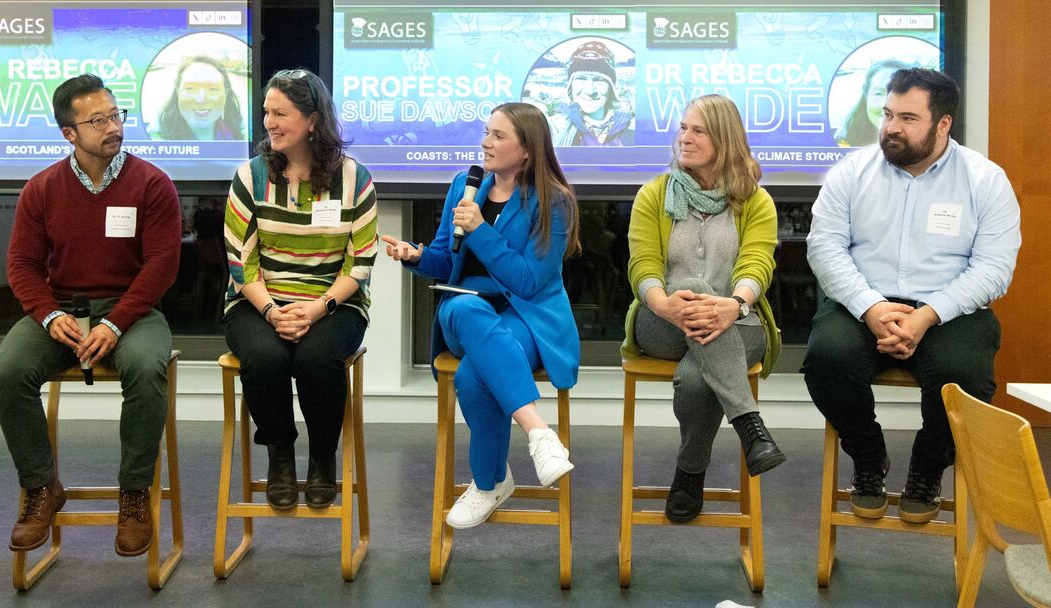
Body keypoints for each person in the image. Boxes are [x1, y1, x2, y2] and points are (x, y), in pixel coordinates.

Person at [803, 68, 1021, 524]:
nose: (890, 128)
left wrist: (928, 315)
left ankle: (927, 465)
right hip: (863, 302)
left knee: (963, 375)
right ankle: (867, 457)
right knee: (827, 357)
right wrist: (870, 307)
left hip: (949, 310)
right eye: (886, 114)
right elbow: (824, 248)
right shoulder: (851, 173)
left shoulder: (985, 180)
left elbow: (994, 269)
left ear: (943, 124)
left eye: (907, 117)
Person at [0, 74, 182, 556]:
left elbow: (162, 265)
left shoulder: (152, 183)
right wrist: (48, 314)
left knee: (143, 367)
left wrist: (117, 322)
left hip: (134, 312)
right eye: (97, 120)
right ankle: (41, 487)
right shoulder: (41, 189)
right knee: (9, 371)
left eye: (116, 115)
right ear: (69, 134)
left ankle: (135, 493)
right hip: (63, 310)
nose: (113, 127)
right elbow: (21, 265)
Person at [381, 102, 580, 529]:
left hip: (526, 316)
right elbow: (443, 257)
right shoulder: (464, 185)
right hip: (463, 308)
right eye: (486, 132)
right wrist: (415, 256)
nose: (486, 143)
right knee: (468, 308)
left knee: (473, 376)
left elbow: (528, 281)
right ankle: (539, 433)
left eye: (498, 136)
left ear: (527, 150)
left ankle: (490, 482)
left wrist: (480, 230)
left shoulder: (553, 202)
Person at [621, 94, 786, 523]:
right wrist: (665, 304)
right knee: (693, 287)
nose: (685, 138)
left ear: (725, 139)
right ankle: (750, 426)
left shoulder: (755, 200)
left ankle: (689, 474)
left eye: (698, 130)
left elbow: (756, 264)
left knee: (698, 380)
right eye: (682, 128)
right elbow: (643, 265)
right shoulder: (655, 194)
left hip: (737, 319)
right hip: (661, 321)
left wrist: (735, 304)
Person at [223, 68, 377, 510]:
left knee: (316, 359)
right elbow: (240, 261)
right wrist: (273, 312)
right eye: (266, 112)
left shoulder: (354, 179)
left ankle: (323, 459)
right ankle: (281, 456)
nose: (269, 122)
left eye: (281, 113)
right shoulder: (250, 176)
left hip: (335, 301)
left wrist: (316, 309)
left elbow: (360, 261)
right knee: (265, 357)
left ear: (312, 121)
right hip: (257, 300)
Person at [548, 40, 634, 146]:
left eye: (599, 80)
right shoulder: (554, 129)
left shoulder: (631, 128)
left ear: (612, 87)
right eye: (581, 78)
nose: (590, 91)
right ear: (570, 85)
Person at [150, 55, 245, 140]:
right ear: (178, 91)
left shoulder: (243, 134)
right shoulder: (155, 140)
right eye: (190, 88)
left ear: (226, 93)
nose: (201, 99)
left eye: (213, 89)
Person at [833, 59, 910, 148]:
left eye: (898, 94)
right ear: (866, 97)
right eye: (879, 93)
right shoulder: (843, 145)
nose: (885, 104)